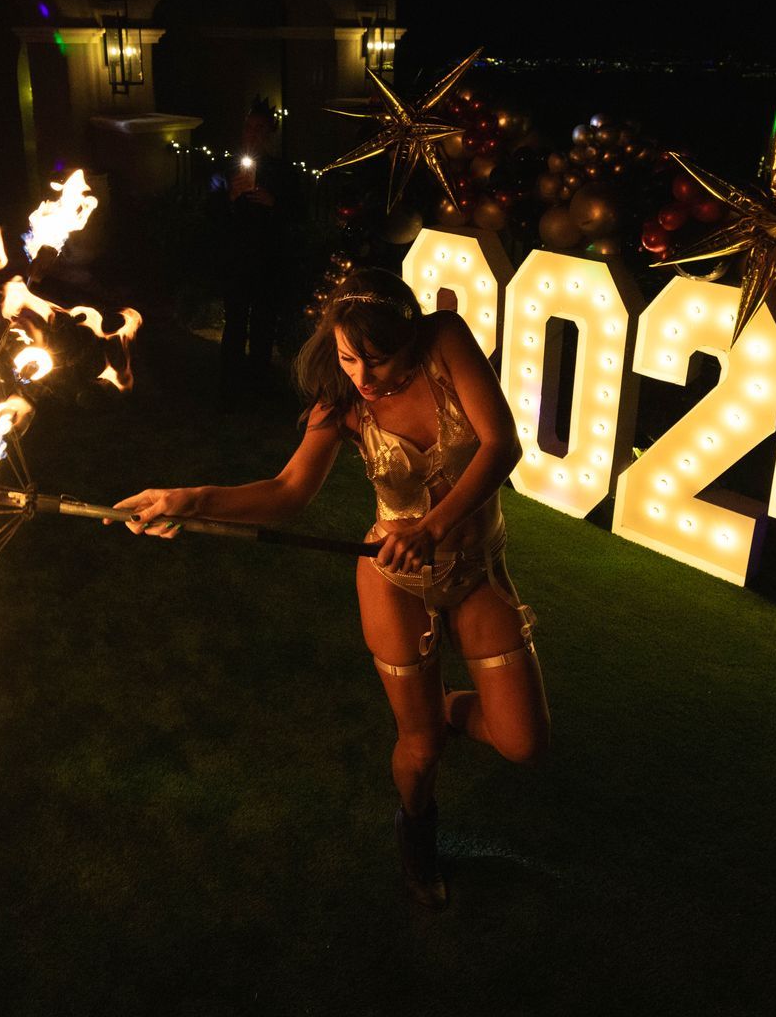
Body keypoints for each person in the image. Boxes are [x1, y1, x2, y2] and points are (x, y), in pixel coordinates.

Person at [113, 267, 549, 909]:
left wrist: (431, 526)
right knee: (420, 750)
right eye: (349, 359)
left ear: (412, 339)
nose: (364, 379)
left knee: (524, 743)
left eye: (378, 360)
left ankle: (447, 707)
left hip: (474, 565)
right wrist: (192, 497)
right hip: (392, 579)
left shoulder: (447, 341)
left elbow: (500, 445)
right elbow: (288, 493)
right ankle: (416, 826)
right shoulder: (340, 403)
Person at [216, 99, 295, 403]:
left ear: (269, 133)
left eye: (260, 129)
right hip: (237, 260)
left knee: (263, 325)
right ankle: (230, 389)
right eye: (249, 128)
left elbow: (296, 212)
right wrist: (232, 195)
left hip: (268, 260)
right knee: (235, 324)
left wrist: (273, 203)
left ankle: (258, 387)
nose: (253, 134)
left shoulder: (281, 171)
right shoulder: (227, 168)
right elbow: (213, 212)